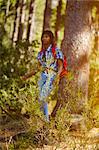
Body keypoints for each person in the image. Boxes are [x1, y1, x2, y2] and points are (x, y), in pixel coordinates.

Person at [22, 30, 67, 122]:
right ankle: (40, 119)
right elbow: (37, 68)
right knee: (40, 98)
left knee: (43, 97)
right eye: (43, 37)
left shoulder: (56, 51)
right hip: (43, 76)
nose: (44, 38)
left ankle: (46, 121)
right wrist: (26, 76)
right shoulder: (41, 53)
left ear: (50, 38)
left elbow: (60, 65)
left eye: (46, 37)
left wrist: (57, 78)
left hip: (52, 75)